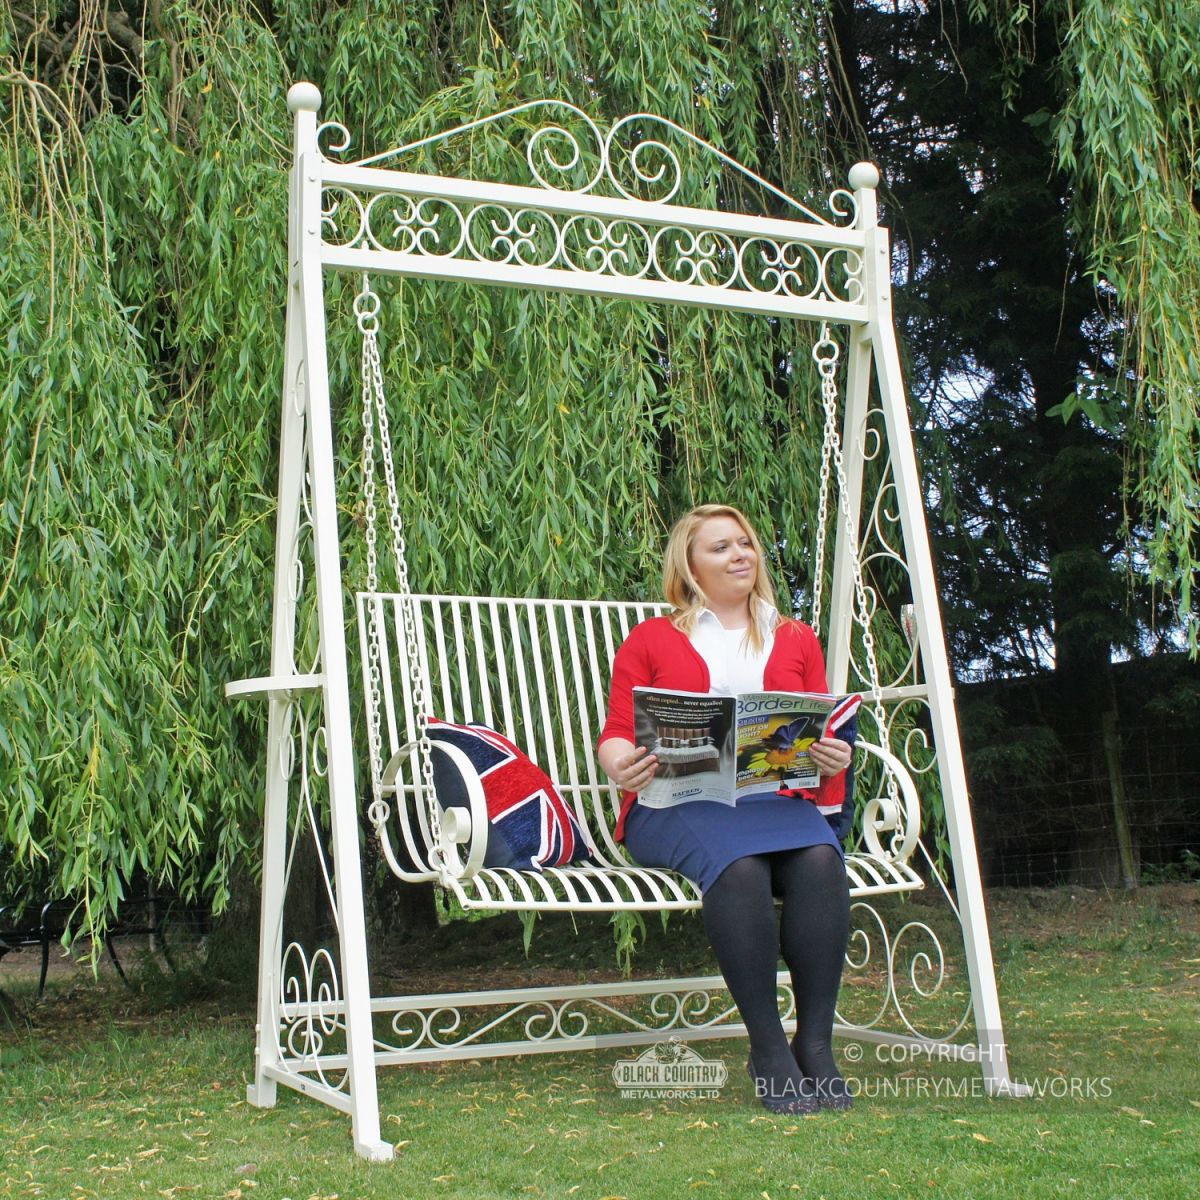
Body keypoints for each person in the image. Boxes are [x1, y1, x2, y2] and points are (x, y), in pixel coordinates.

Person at [598, 504, 854, 1114]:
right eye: (720, 547)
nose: (740, 554)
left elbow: (816, 727)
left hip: (771, 795)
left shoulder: (795, 637)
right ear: (688, 567)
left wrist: (829, 754)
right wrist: (616, 763)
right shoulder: (654, 638)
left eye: (745, 543)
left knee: (821, 859)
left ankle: (815, 1043)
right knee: (739, 868)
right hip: (676, 802)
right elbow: (615, 731)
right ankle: (767, 1049)